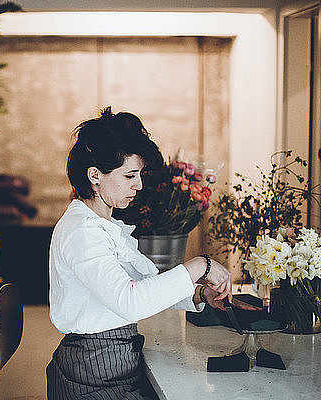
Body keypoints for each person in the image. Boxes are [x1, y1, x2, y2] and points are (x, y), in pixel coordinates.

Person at [46, 107, 257, 399]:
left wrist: (199, 294)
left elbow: (146, 282)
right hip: (93, 372)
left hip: (114, 362)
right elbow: (130, 302)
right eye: (130, 175)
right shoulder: (82, 232)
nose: (139, 185)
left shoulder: (105, 224)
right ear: (95, 175)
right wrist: (201, 265)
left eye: (139, 174)